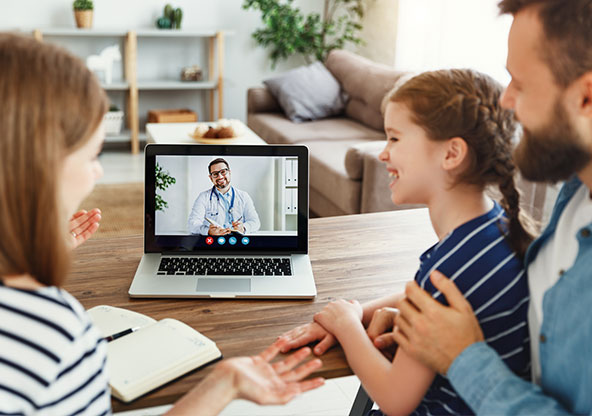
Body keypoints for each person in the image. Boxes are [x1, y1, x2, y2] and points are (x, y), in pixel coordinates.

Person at [0, 33, 324, 415]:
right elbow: (191, 227)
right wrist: (225, 382)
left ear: (229, 174)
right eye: (92, 155)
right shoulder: (53, 335)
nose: (98, 173)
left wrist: (30, 247)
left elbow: (251, 223)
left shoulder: (245, 199)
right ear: (36, 166)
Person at [374, 1, 592, 415]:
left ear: (586, 97)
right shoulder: (574, 196)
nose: (506, 101)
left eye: (521, 83)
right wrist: (412, 311)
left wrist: (464, 358)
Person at [280, 68, 536, 415]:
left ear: (451, 154)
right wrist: (358, 310)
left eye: (395, 139)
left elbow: (396, 398)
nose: (384, 154)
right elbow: (424, 293)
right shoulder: (496, 229)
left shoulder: (451, 266)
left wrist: (346, 325)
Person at [187, 158, 261, 236]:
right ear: (211, 178)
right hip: (214, 243)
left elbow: (255, 222)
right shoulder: (203, 197)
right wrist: (208, 231)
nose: (220, 176)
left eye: (223, 172)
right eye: (215, 174)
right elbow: (192, 224)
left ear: (229, 172)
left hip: (239, 242)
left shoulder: (244, 196)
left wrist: (244, 228)